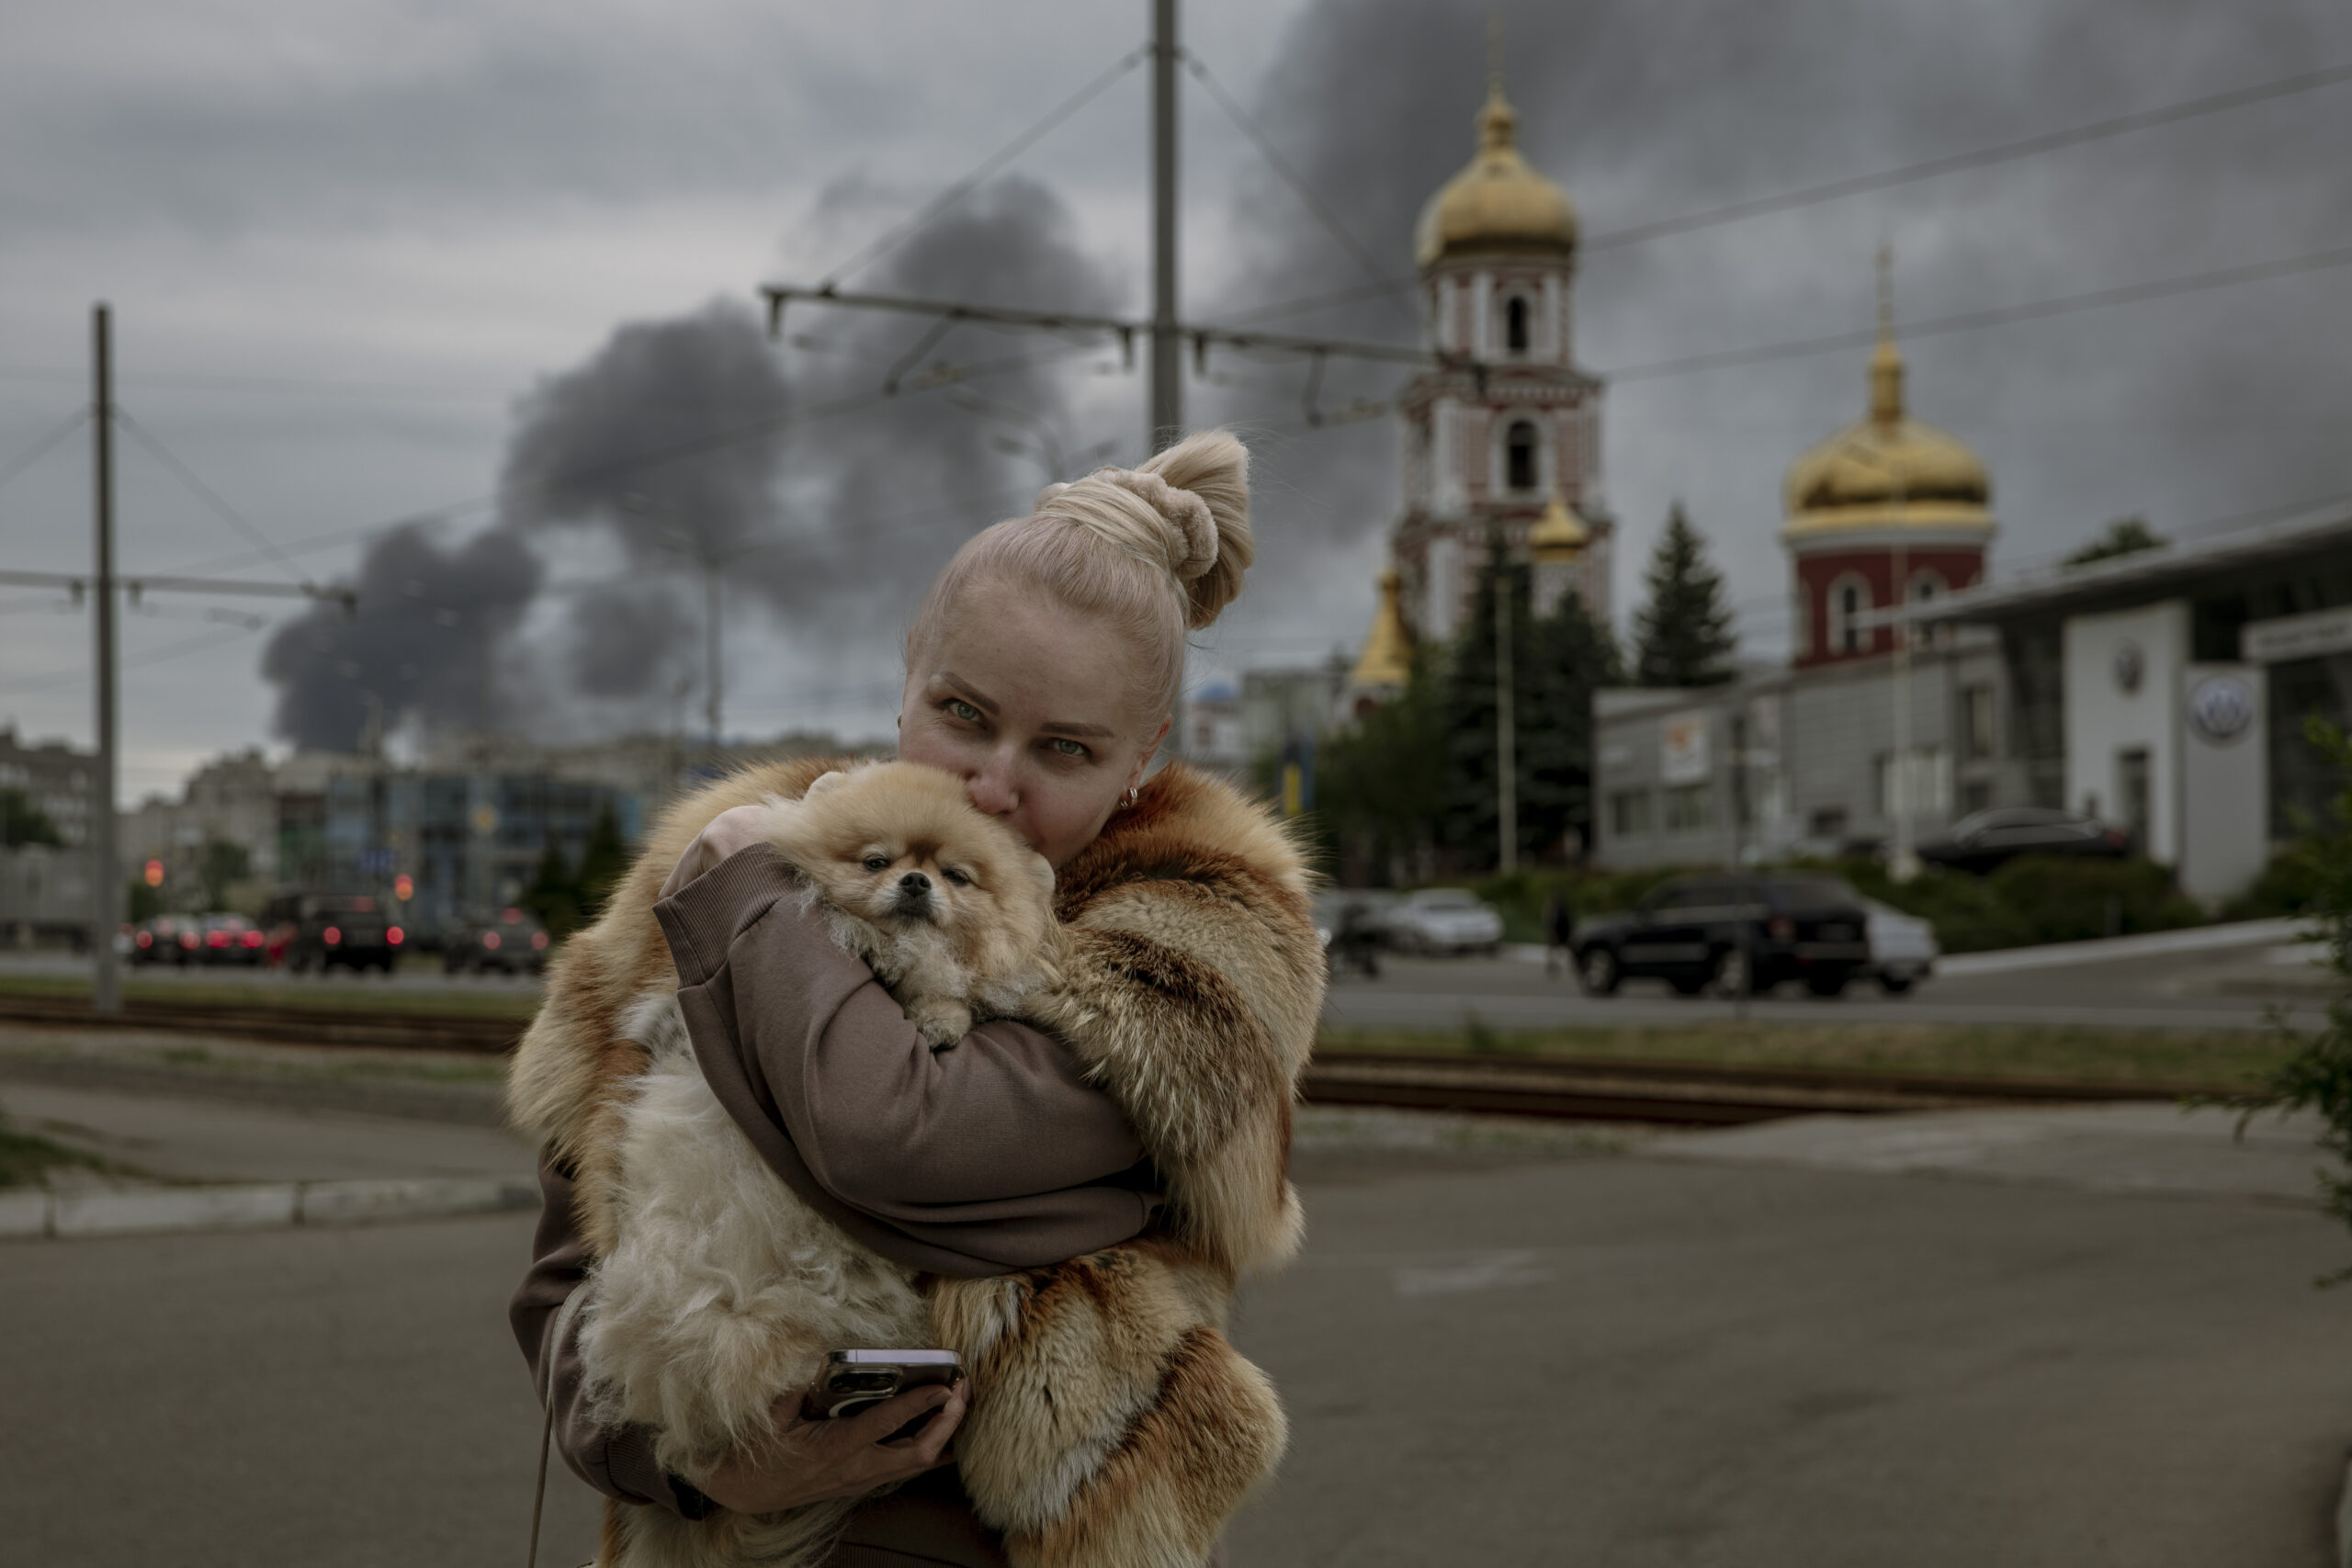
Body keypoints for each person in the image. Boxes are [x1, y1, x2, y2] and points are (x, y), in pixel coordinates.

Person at [509, 430, 1323, 1567]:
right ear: (906, 676)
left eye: (1066, 750)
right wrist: (694, 1463)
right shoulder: (738, 850)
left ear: (1143, 757)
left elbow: (895, 1139)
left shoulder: (1196, 941)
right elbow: (563, 1278)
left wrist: (750, 903)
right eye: (963, 714)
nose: (991, 782)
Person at [1543, 886, 1577, 978]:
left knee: (1560, 950)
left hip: (1560, 932)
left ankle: (1572, 964)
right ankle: (1553, 965)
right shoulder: (1556, 908)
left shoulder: (1558, 908)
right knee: (1554, 951)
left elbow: (1558, 921)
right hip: (1557, 932)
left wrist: (1554, 931)